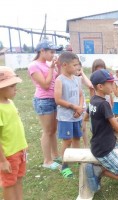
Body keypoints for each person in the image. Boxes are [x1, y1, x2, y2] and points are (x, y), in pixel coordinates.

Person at [85, 69, 118, 192]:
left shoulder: (93, 100)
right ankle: (101, 171)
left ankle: (102, 167)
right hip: (104, 149)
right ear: (100, 86)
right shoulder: (104, 104)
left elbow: (86, 117)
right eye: (110, 83)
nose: (113, 85)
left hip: (103, 143)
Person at [28, 40, 62, 170]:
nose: (53, 55)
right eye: (51, 52)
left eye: (54, 52)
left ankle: (55, 155)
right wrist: (52, 68)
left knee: (53, 130)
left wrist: (56, 67)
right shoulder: (34, 65)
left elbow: (56, 79)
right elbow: (46, 84)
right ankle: (47, 161)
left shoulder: (48, 65)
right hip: (43, 101)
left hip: (53, 99)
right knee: (47, 131)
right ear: (42, 51)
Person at [54, 52, 84, 178]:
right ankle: (64, 165)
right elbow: (58, 100)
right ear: (64, 65)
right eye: (74, 65)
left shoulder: (77, 79)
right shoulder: (59, 80)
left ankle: (76, 159)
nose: (77, 67)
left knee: (77, 138)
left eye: (78, 64)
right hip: (65, 117)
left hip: (77, 115)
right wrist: (74, 107)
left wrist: (80, 108)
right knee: (67, 140)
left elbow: (81, 95)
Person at [0, 67, 28, 200]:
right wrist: (3, 161)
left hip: (19, 150)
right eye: (11, 86)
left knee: (19, 179)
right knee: (9, 183)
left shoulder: (10, 102)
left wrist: (23, 145)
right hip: (8, 154)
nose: (15, 89)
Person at [76, 61, 93, 148]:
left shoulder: (80, 78)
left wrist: (82, 72)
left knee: (83, 128)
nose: (77, 70)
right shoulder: (68, 77)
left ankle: (86, 146)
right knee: (75, 130)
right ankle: (76, 148)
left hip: (82, 106)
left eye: (79, 68)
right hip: (74, 106)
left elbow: (90, 85)